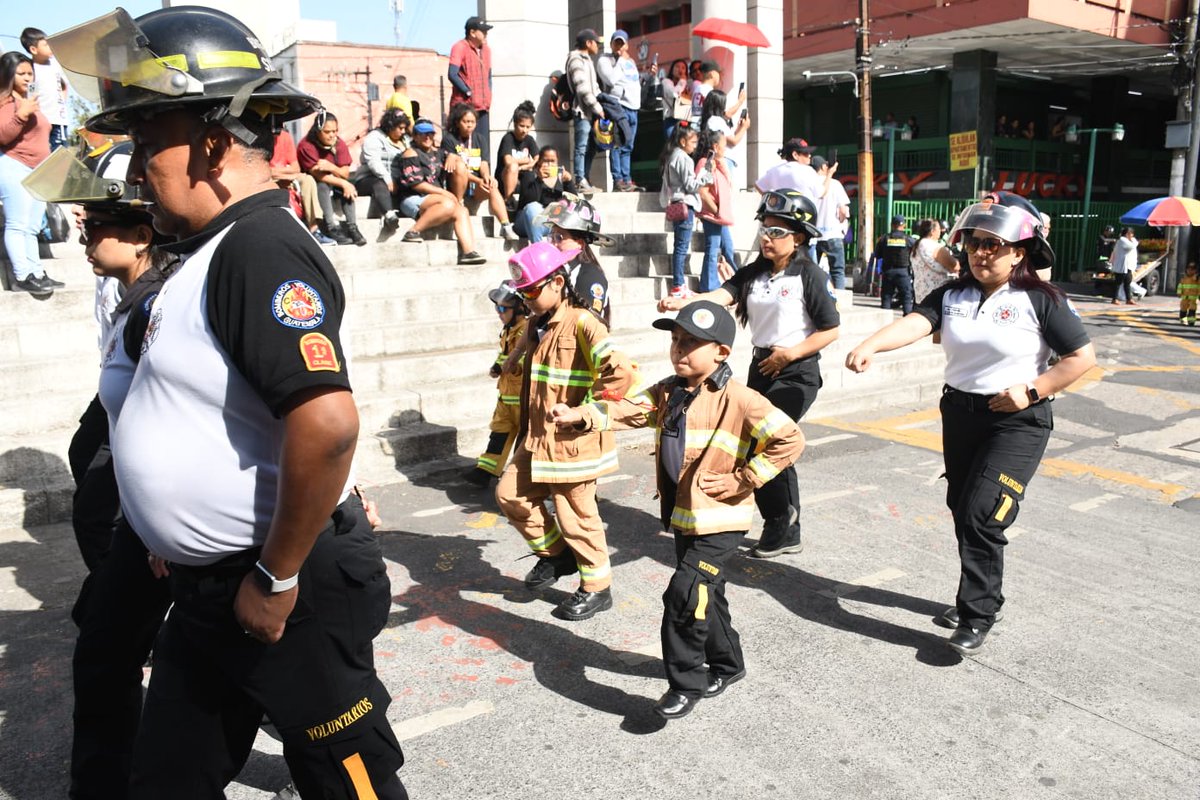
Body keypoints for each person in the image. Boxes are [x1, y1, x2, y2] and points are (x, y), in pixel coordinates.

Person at [54, 7, 408, 797]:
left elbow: (327, 423)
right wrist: (163, 527)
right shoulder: (206, 253)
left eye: (150, 141)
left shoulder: (259, 246)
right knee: (169, 776)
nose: (139, 165)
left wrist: (276, 578)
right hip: (206, 584)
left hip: (285, 587)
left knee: (346, 774)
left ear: (213, 142)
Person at [845, 191, 1097, 656]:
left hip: (1018, 421)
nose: (981, 252)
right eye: (975, 242)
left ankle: (977, 612)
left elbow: (1082, 358)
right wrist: (871, 345)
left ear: (1019, 251)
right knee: (963, 507)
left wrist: (1032, 389)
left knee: (984, 511)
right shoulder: (953, 294)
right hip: (960, 414)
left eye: (994, 244)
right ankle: (982, 595)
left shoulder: (1041, 300)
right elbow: (917, 322)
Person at [551, 301, 804, 719]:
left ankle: (686, 682)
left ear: (721, 351)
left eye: (691, 342)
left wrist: (743, 479)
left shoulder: (741, 399)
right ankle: (728, 664)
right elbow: (631, 409)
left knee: (685, 595)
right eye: (675, 339)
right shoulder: (671, 389)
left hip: (721, 519)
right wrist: (581, 414)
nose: (679, 349)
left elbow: (790, 440)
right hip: (686, 516)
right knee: (709, 594)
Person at [24, 140, 178, 799]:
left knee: (271, 664)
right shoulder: (118, 288)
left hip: (179, 508)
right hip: (130, 453)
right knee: (105, 633)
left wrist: (163, 529)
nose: (86, 230)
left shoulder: (174, 297)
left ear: (142, 231)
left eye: (101, 221)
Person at [659, 189, 840, 559]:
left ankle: (784, 524)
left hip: (797, 372)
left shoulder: (810, 275)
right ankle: (778, 521)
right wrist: (684, 302)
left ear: (799, 237)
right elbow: (720, 296)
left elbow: (830, 330)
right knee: (754, 441)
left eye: (777, 232)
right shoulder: (755, 273)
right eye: (765, 229)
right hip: (762, 367)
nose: (767, 238)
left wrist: (788, 355)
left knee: (771, 438)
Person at [496, 242, 638, 621]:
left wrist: (583, 411)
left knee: (576, 514)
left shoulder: (584, 324)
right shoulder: (534, 322)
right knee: (510, 495)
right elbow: (526, 349)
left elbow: (622, 374)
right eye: (521, 293)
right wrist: (508, 363)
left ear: (558, 283)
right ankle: (556, 557)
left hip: (573, 442)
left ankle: (596, 587)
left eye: (531, 291)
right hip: (538, 437)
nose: (525, 299)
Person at [1, 50, 65, 296]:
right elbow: (2, 135)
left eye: (30, 73)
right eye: (22, 73)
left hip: (38, 169)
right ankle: (22, 275)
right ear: (8, 74)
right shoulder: (6, 102)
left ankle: (36, 272)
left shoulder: (30, 100)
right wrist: (21, 115)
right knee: (18, 224)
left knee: (31, 226)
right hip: (13, 164)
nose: (28, 78)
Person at [393, 117, 486, 264]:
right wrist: (445, 193)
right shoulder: (410, 153)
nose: (428, 137)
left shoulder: (438, 153)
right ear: (415, 136)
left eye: (430, 133)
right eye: (423, 134)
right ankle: (413, 231)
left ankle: (468, 252)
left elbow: (458, 165)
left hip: (435, 199)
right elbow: (417, 184)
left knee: (462, 211)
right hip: (414, 198)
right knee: (449, 203)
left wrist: (453, 156)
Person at [464, 280, 529, 488]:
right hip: (506, 394)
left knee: (526, 440)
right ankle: (486, 471)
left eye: (503, 308)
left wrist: (509, 366)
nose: (499, 312)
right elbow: (506, 355)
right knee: (499, 432)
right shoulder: (509, 330)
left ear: (519, 308)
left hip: (522, 396)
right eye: (496, 308)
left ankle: (527, 479)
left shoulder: (526, 330)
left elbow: (522, 358)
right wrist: (497, 366)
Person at [442, 102, 520, 240]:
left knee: (491, 185)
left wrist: (486, 176)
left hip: (475, 185)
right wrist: (479, 180)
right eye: (465, 121)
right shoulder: (449, 139)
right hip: (457, 184)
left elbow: (483, 162)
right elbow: (455, 169)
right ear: (458, 122)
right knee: (459, 166)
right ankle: (459, 204)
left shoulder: (480, 139)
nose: (469, 125)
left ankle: (505, 225)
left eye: (472, 122)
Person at [538, 195, 614, 324]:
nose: (553, 244)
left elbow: (582, 324)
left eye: (559, 237)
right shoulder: (558, 271)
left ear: (579, 243)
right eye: (551, 237)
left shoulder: (591, 276)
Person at [297, 111, 366, 246]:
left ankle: (352, 227)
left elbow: (345, 173)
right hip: (316, 184)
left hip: (334, 181)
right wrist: (342, 181)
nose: (332, 135)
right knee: (322, 185)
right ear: (318, 130)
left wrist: (332, 168)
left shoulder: (338, 143)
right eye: (327, 132)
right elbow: (317, 174)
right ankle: (330, 227)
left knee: (347, 187)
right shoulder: (306, 145)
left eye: (335, 131)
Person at [660, 122, 709, 298]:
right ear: (682, 141)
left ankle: (679, 285)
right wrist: (704, 178)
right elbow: (690, 185)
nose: (695, 146)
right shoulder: (684, 158)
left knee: (679, 246)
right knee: (681, 248)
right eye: (693, 142)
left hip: (675, 204)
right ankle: (678, 285)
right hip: (685, 205)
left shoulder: (672, 156)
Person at [595, 29, 643, 192]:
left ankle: (627, 178)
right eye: (616, 43)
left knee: (628, 145)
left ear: (627, 45)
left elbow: (634, 83)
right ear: (611, 44)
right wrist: (621, 61)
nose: (619, 47)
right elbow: (611, 79)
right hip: (617, 106)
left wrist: (648, 76)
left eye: (622, 43)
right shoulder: (605, 60)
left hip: (633, 107)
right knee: (618, 143)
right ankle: (619, 179)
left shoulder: (630, 62)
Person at [270, 126, 333, 244]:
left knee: (307, 180)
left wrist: (281, 173)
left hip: (287, 175)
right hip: (267, 178)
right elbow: (264, 171)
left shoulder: (285, 136)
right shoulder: (258, 137)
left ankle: (314, 229)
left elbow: (296, 168)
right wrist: (279, 173)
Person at [352, 108, 410, 230]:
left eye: (404, 128)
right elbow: (374, 162)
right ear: (390, 126)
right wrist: (387, 179)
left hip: (396, 179)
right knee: (379, 183)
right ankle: (389, 215)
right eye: (400, 128)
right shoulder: (374, 138)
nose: (403, 132)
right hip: (369, 178)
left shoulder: (405, 141)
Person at [696, 129, 738, 293]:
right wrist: (716, 210)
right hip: (712, 215)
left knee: (728, 248)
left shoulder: (720, 164)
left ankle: (737, 278)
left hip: (721, 216)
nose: (726, 148)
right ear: (715, 146)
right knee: (712, 249)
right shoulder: (706, 163)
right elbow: (702, 190)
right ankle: (709, 285)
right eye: (723, 145)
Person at [565, 29, 606, 194]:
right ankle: (580, 179)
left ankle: (585, 179)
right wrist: (598, 108)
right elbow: (583, 89)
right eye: (596, 42)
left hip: (590, 112)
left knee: (591, 147)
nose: (598, 46)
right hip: (582, 111)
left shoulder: (587, 60)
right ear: (588, 43)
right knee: (581, 147)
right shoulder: (576, 59)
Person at [448, 16, 494, 162]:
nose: (486, 34)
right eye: (483, 31)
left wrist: (488, 93)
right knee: (461, 148)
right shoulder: (459, 47)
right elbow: (452, 74)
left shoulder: (486, 50)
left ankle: (482, 179)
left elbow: (489, 76)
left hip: (482, 107)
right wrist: (468, 91)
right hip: (464, 107)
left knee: (480, 146)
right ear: (472, 32)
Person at [20, 28, 69, 151]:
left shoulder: (55, 65)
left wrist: (62, 101)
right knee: (44, 152)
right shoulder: (32, 69)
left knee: (60, 151)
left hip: (59, 119)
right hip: (42, 120)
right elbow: (31, 94)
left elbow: (64, 85)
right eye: (46, 45)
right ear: (33, 49)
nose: (50, 47)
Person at [513, 146, 575, 242]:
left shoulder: (562, 177)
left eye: (552, 161)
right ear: (539, 162)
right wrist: (539, 180)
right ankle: (538, 248)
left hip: (552, 222)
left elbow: (574, 204)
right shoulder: (529, 175)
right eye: (545, 161)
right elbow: (527, 202)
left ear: (557, 162)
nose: (549, 164)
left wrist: (569, 182)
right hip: (526, 221)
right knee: (533, 208)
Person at [813, 155, 851, 290]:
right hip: (833, 233)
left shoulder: (809, 184)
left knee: (811, 272)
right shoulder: (835, 184)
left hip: (813, 235)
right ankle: (839, 301)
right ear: (823, 167)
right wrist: (842, 223)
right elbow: (843, 210)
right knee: (837, 271)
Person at [755, 137, 827, 204]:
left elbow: (759, 186)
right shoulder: (807, 171)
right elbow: (821, 193)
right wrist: (830, 174)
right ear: (795, 155)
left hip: (779, 214)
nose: (809, 156)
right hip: (801, 215)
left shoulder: (774, 170)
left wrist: (773, 200)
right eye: (805, 153)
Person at [497, 100, 539, 202]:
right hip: (504, 178)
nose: (524, 130)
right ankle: (508, 199)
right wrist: (526, 160)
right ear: (515, 124)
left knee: (530, 174)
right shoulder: (508, 138)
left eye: (528, 127)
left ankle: (527, 202)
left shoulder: (529, 139)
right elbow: (508, 161)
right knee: (513, 167)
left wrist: (528, 165)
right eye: (522, 126)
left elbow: (537, 159)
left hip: (523, 177)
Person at [875, 215, 917, 315]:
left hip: (888, 271)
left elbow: (878, 255)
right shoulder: (909, 240)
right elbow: (915, 254)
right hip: (903, 272)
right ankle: (907, 321)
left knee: (886, 297)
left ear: (892, 225)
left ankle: (884, 321)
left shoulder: (884, 239)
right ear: (904, 225)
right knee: (906, 297)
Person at [701, 89, 750, 173]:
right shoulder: (716, 120)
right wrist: (744, 127)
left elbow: (730, 138)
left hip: (723, 159)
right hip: (723, 160)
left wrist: (739, 127)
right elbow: (733, 142)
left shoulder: (713, 120)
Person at [911, 218, 959, 300]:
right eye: (939, 229)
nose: (940, 231)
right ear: (932, 231)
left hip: (920, 294)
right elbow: (955, 267)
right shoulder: (935, 247)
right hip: (937, 294)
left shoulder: (916, 246)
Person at [660, 58, 691, 142]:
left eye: (683, 68)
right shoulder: (666, 82)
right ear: (672, 69)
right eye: (677, 67)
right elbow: (674, 94)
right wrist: (682, 81)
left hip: (685, 120)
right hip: (671, 120)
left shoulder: (687, 85)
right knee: (673, 145)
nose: (680, 70)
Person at [1111, 227, 1138, 305]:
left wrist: (1133, 241)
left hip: (1128, 266)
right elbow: (1131, 246)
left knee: (1127, 282)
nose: (1132, 236)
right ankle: (1114, 299)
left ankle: (1128, 299)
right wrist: (1134, 241)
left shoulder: (1129, 241)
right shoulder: (1122, 240)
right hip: (1122, 266)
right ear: (1127, 234)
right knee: (1118, 282)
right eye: (1131, 233)